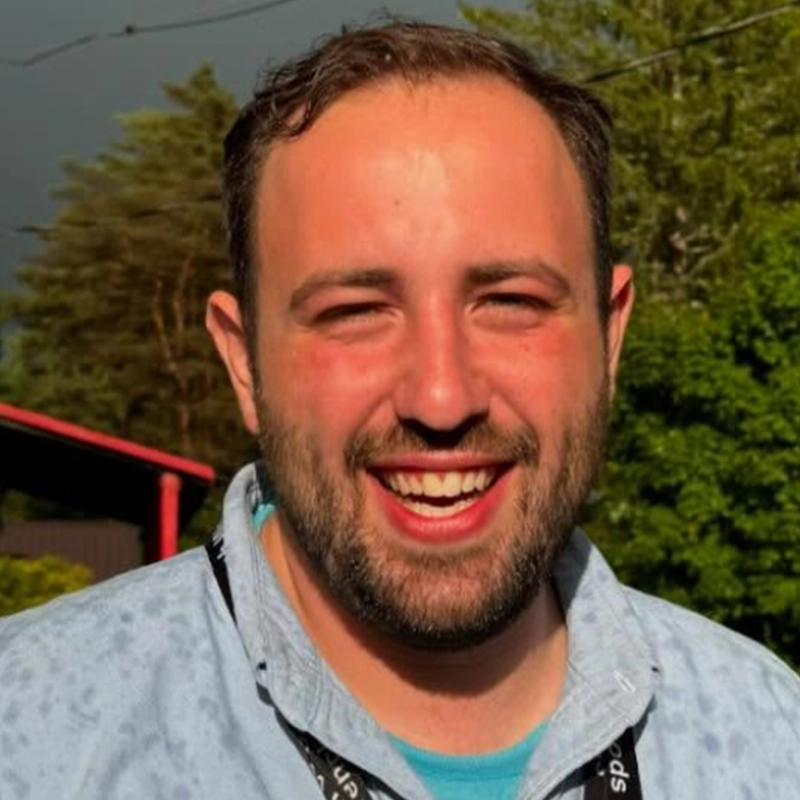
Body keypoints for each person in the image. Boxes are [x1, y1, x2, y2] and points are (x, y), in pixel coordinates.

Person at [1, 21, 798, 800]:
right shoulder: (32, 738)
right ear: (243, 362)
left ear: (610, 337)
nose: (441, 398)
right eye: (355, 312)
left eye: (511, 301)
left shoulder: (768, 734)